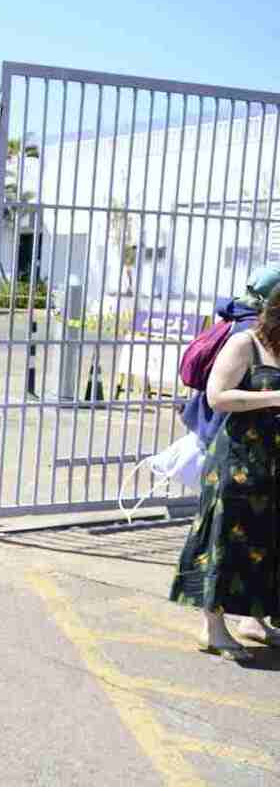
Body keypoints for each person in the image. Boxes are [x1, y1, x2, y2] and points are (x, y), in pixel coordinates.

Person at [170, 286, 280, 661]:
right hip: (237, 461)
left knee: (267, 542)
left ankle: (254, 620)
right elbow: (219, 396)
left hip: (272, 462)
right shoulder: (244, 344)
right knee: (225, 540)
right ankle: (212, 628)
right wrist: (274, 397)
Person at [182, 265, 280, 447]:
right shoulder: (253, 330)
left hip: (210, 424)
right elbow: (219, 396)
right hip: (231, 435)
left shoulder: (233, 315)